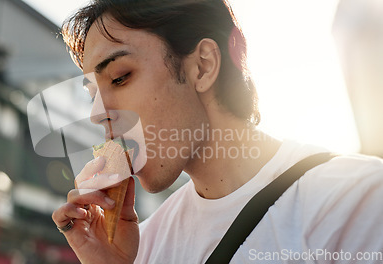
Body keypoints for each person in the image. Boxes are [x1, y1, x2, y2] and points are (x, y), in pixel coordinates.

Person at [51, 0, 383, 263]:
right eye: (93, 93)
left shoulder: (355, 201)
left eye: (119, 77)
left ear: (203, 65)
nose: (97, 114)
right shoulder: (140, 245)